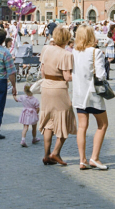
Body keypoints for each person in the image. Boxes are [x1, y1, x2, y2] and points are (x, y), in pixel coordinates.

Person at [72, 26, 109, 171]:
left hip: (79, 95)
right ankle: (95, 157)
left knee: (82, 127)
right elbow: (101, 75)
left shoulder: (74, 52)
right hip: (93, 95)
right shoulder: (96, 52)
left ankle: (82, 160)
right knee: (103, 125)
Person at [38, 26, 77, 166]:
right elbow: (67, 77)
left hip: (46, 86)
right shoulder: (66, 54)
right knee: (64, 120)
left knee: (48, 121)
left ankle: (46, 155)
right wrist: (81, 77)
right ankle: (56, 152)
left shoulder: (46, 49)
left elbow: (42, 70)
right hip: (59, 88)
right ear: (67, 39)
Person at [15, 83, 40, 147]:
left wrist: (14, 95)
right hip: (32, 114)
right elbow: (38, 108)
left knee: (25, 127)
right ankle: (34, 138)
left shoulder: (23, 97)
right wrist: (36, 113)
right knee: (34, 127)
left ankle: (23, 140)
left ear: (24, 90)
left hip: (25, 114)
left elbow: (16, 100)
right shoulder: (35, 100)